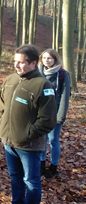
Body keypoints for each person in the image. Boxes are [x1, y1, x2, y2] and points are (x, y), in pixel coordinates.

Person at [0, 44, 56, 204]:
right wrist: (1, 126)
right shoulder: (10, 80)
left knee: (31, 180)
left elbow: (47, 120)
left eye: (21, 63)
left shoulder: (43, 85)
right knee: (15, 176)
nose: (16, 66)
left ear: (33, 63)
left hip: (29, 145)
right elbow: (1, 106)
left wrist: (27, 134)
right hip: (9, 141)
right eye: (15, 61)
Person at [38, 49, 70, 179]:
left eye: (50, 58)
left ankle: (53, 165)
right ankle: (41, 164)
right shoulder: (38, 73)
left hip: (55, 113)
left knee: (53, 140)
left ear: (55, 59)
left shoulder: (62, 74)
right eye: (45, 58)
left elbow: (65, 95)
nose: (47, 60)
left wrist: (60, 116)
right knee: (42, 140)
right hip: (40, 113)